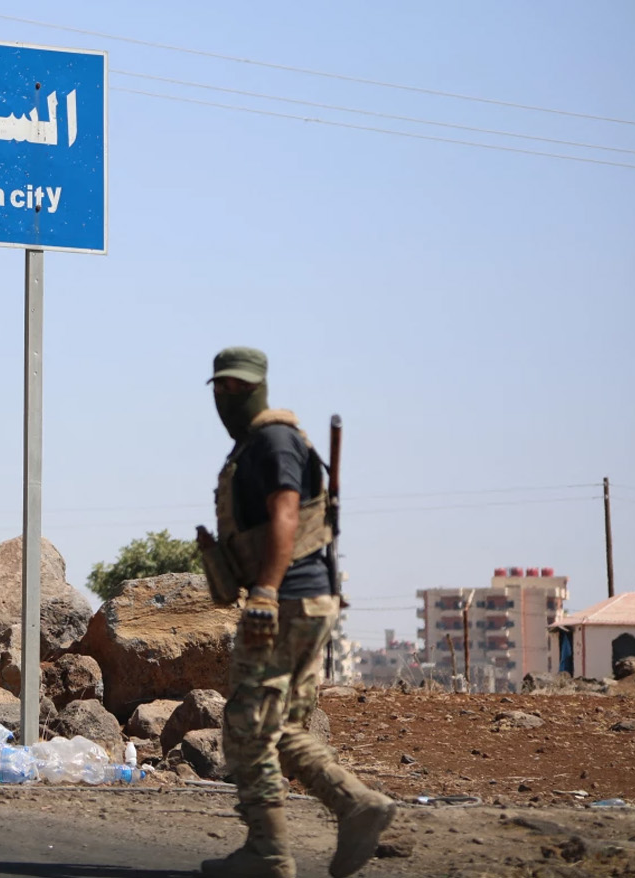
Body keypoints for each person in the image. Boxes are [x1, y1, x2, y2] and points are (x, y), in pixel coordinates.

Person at [197, 347, 395, 878]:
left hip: (286, 601)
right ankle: (354, 805)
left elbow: (286, 512)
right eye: (220, 388)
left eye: (239, 388)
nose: (228, 397)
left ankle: (269, 851)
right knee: (278, 725)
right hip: (300, 598)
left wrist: (264, 590)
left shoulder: (272, 439)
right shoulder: (256, 445)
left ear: (260, 387)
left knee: (247, 723)